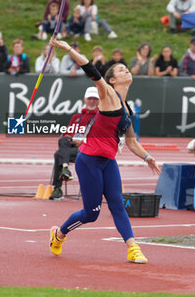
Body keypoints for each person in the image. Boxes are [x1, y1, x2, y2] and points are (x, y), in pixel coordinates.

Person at [48, 37, 160, 264]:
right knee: (92, 214)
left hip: (108, 162)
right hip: (88, 161)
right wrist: (67, 48)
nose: (126, 70)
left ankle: (132, 247)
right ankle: (59, 234)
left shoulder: (128, 109)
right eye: (121, 69)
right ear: (112, 79)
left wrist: (147, 157)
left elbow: (131, 142)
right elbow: (90, 68)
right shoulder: (107, 94)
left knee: (118, 204)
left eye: (126, 68)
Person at [50, 86, 99, 199]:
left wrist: (82, 142)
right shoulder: (76, 117)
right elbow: (67, 133)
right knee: (62, 142)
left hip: (89, 150)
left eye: (95, 99)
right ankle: (64, 172)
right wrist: (69, 138)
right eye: (89, 98)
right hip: (73, 148)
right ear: (84, 100)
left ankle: (60, 182)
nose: (92, 101)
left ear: (99, 101)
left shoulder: (100, 118)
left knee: (58, 154)